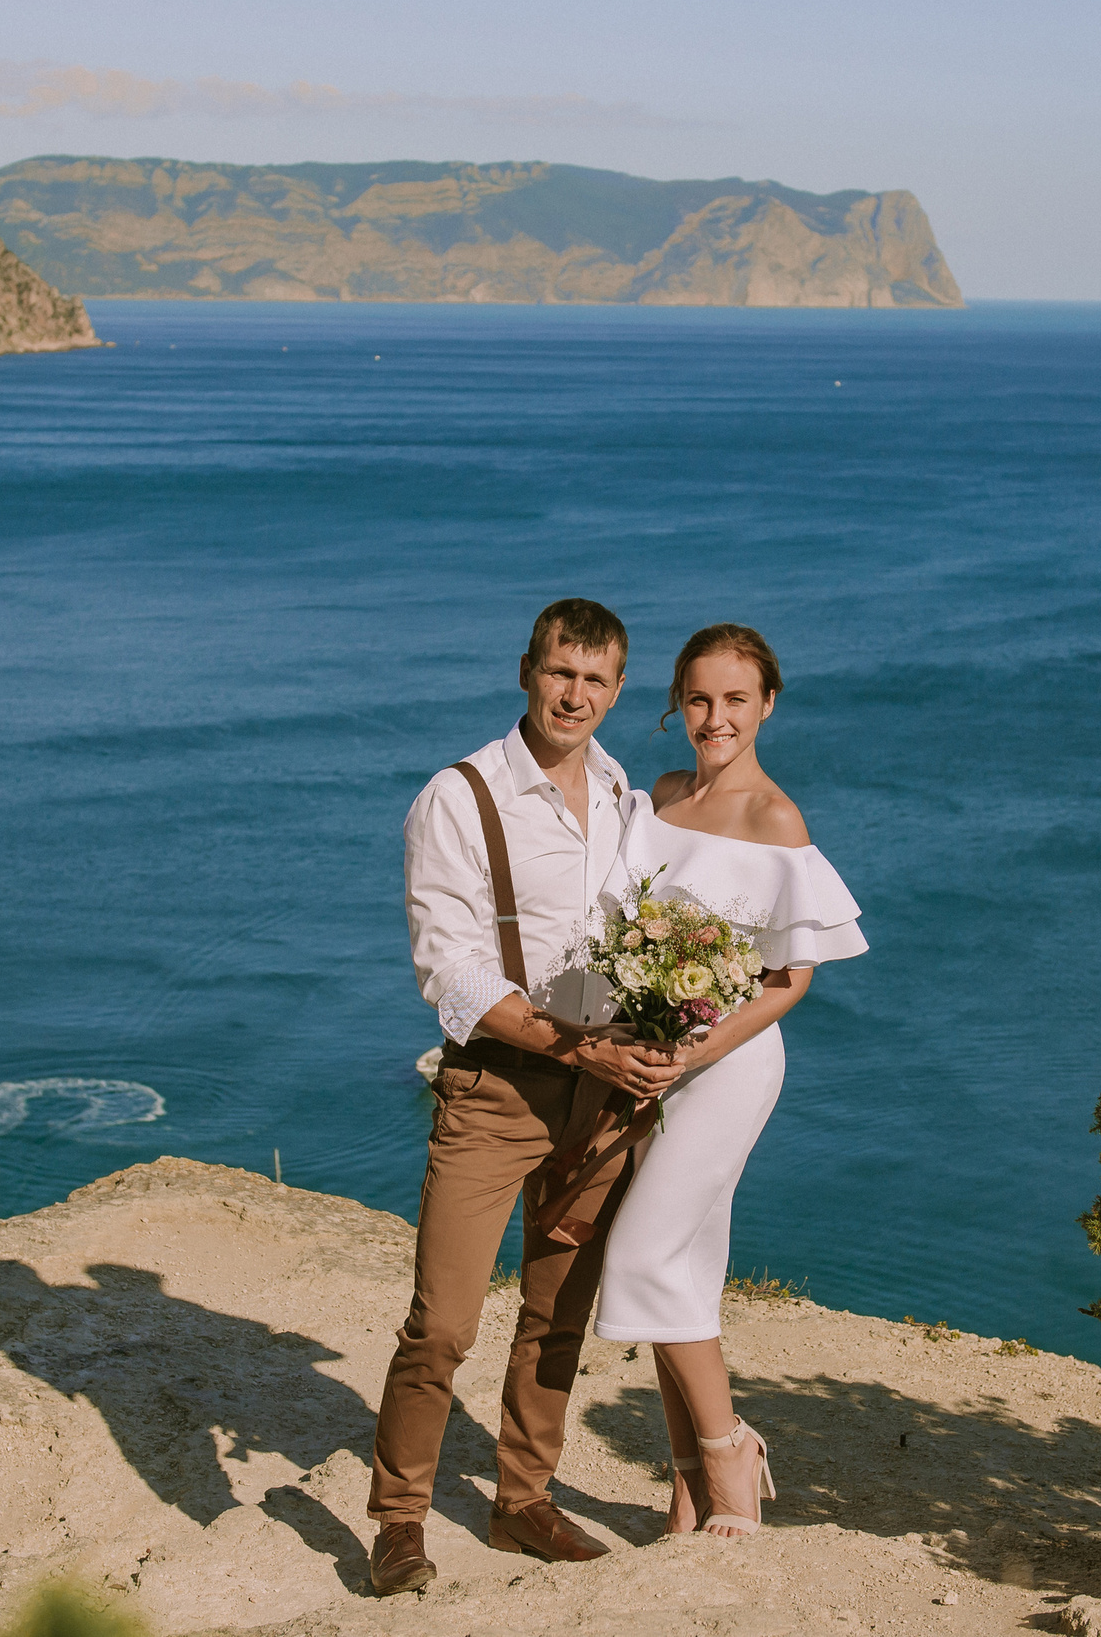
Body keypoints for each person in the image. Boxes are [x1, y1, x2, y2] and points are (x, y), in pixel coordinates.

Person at [366, 598, 682, 1596]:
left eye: (594, 680)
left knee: (557, 1310)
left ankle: (521, 1501)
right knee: (444, 1322)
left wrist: (659, 1038)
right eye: (559, 673)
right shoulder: (458, 798)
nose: (574, 695)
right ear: (525, 671)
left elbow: (633, 943)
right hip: (496, 1092)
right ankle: (400, 1520)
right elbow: (451, 978)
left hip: (602, 1098)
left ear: (618, 690)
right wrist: (583, 1051)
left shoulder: (626, 792)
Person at [592, 622, 867, 1538]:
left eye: (736, 700)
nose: (716, 718)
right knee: (688, 1277)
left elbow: (793, 979)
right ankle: (686, 1490)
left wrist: (699, 1052)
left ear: (768, 705)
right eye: (700, 699)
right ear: (677, 702)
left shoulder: (774, 819)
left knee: (641, 1258)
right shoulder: (661, 794)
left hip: (728, 1066)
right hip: (648, 1065)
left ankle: (730, 1454)